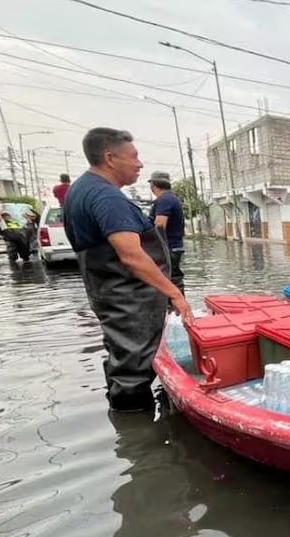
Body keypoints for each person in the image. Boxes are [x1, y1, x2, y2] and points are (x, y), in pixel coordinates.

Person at [64, 127, 192, 413]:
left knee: (123, 356)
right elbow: (132, 256)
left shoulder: (82, 189)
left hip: (112, 293)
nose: (140, 164)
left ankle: (128, 429)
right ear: (110, 158)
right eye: (134, 157)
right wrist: (175, 294)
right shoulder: (106, 197)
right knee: (134, 367)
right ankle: (138, 434)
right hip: (128, 298)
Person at [147, 171, 186, 295]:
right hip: (173, 246)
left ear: (153, 185)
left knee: (170, 279)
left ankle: (177, 311)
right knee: (171, 278)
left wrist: (154, 247)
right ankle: (175, 310)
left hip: (168, 248)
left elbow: (159, 225)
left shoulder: (164, 200)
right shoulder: (170, 198)